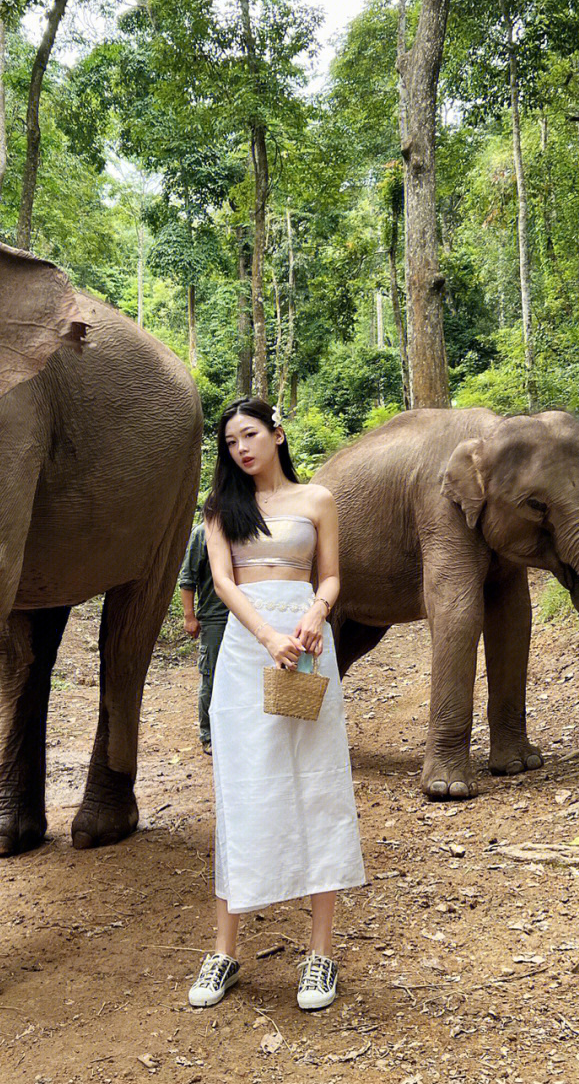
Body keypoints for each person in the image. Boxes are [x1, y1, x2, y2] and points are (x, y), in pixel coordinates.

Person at [187, 397, 366, 1013]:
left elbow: (332, 578)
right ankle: (225, 950)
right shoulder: (221, 510)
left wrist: (315, 614)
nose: (241, 448)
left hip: (310, 647)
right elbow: (225, 582)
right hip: (248, 650)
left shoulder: (316, 500)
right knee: (241, 789)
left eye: (251, 435)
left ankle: (320, 956)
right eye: (231, 440)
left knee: (316, 786)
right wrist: (267, 636)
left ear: (277, 435)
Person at [177, 519, 229, 755]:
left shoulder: (247, 526)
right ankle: (208, 735)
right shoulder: (203, 532)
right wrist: (189, 616)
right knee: (211, 675)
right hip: (215, 618)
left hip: (246, 618)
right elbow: (188, 578)